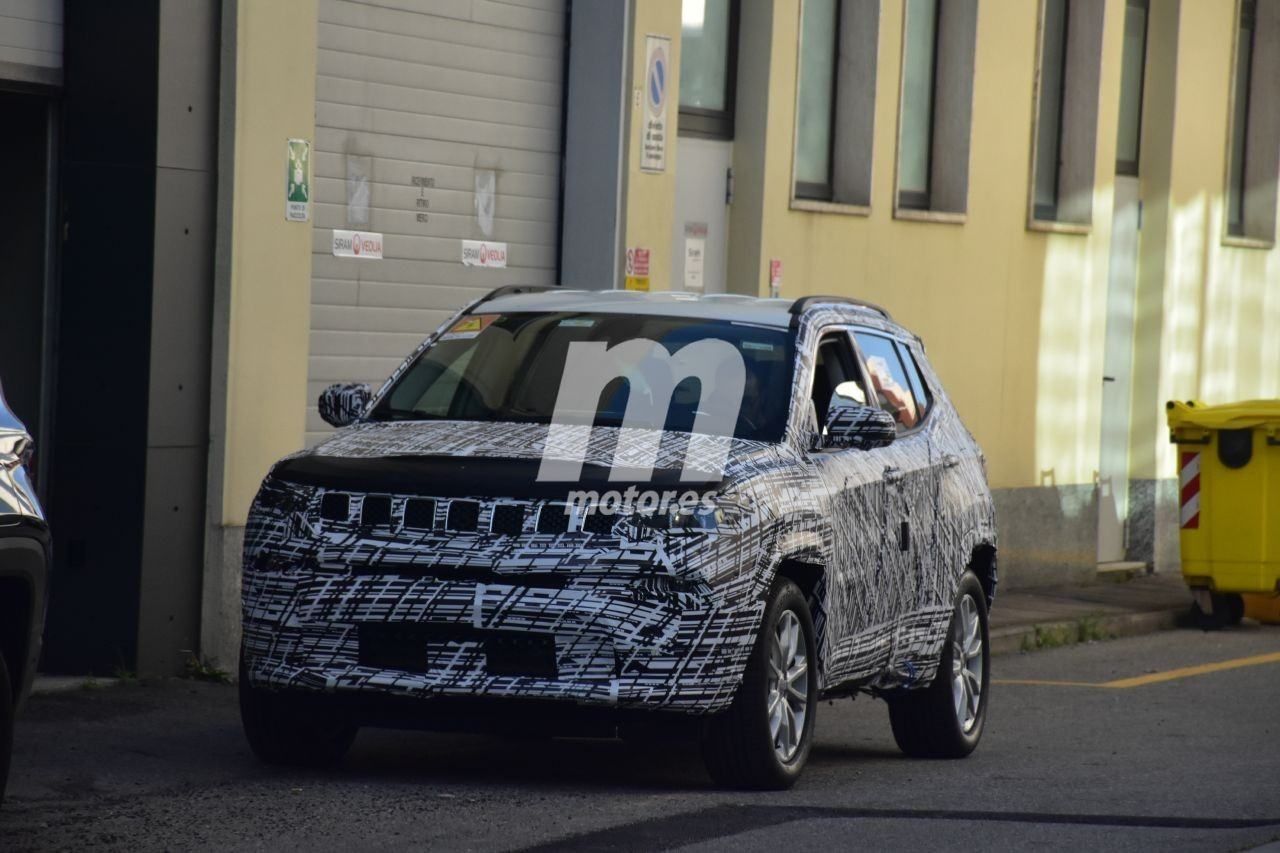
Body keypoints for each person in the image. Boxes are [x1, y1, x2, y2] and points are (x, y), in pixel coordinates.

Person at [865, 356, 918, 429]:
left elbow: (912, 420)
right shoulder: (862, 394)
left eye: (884, 372)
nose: (883, 377)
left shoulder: (901, 394)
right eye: (876, 373)